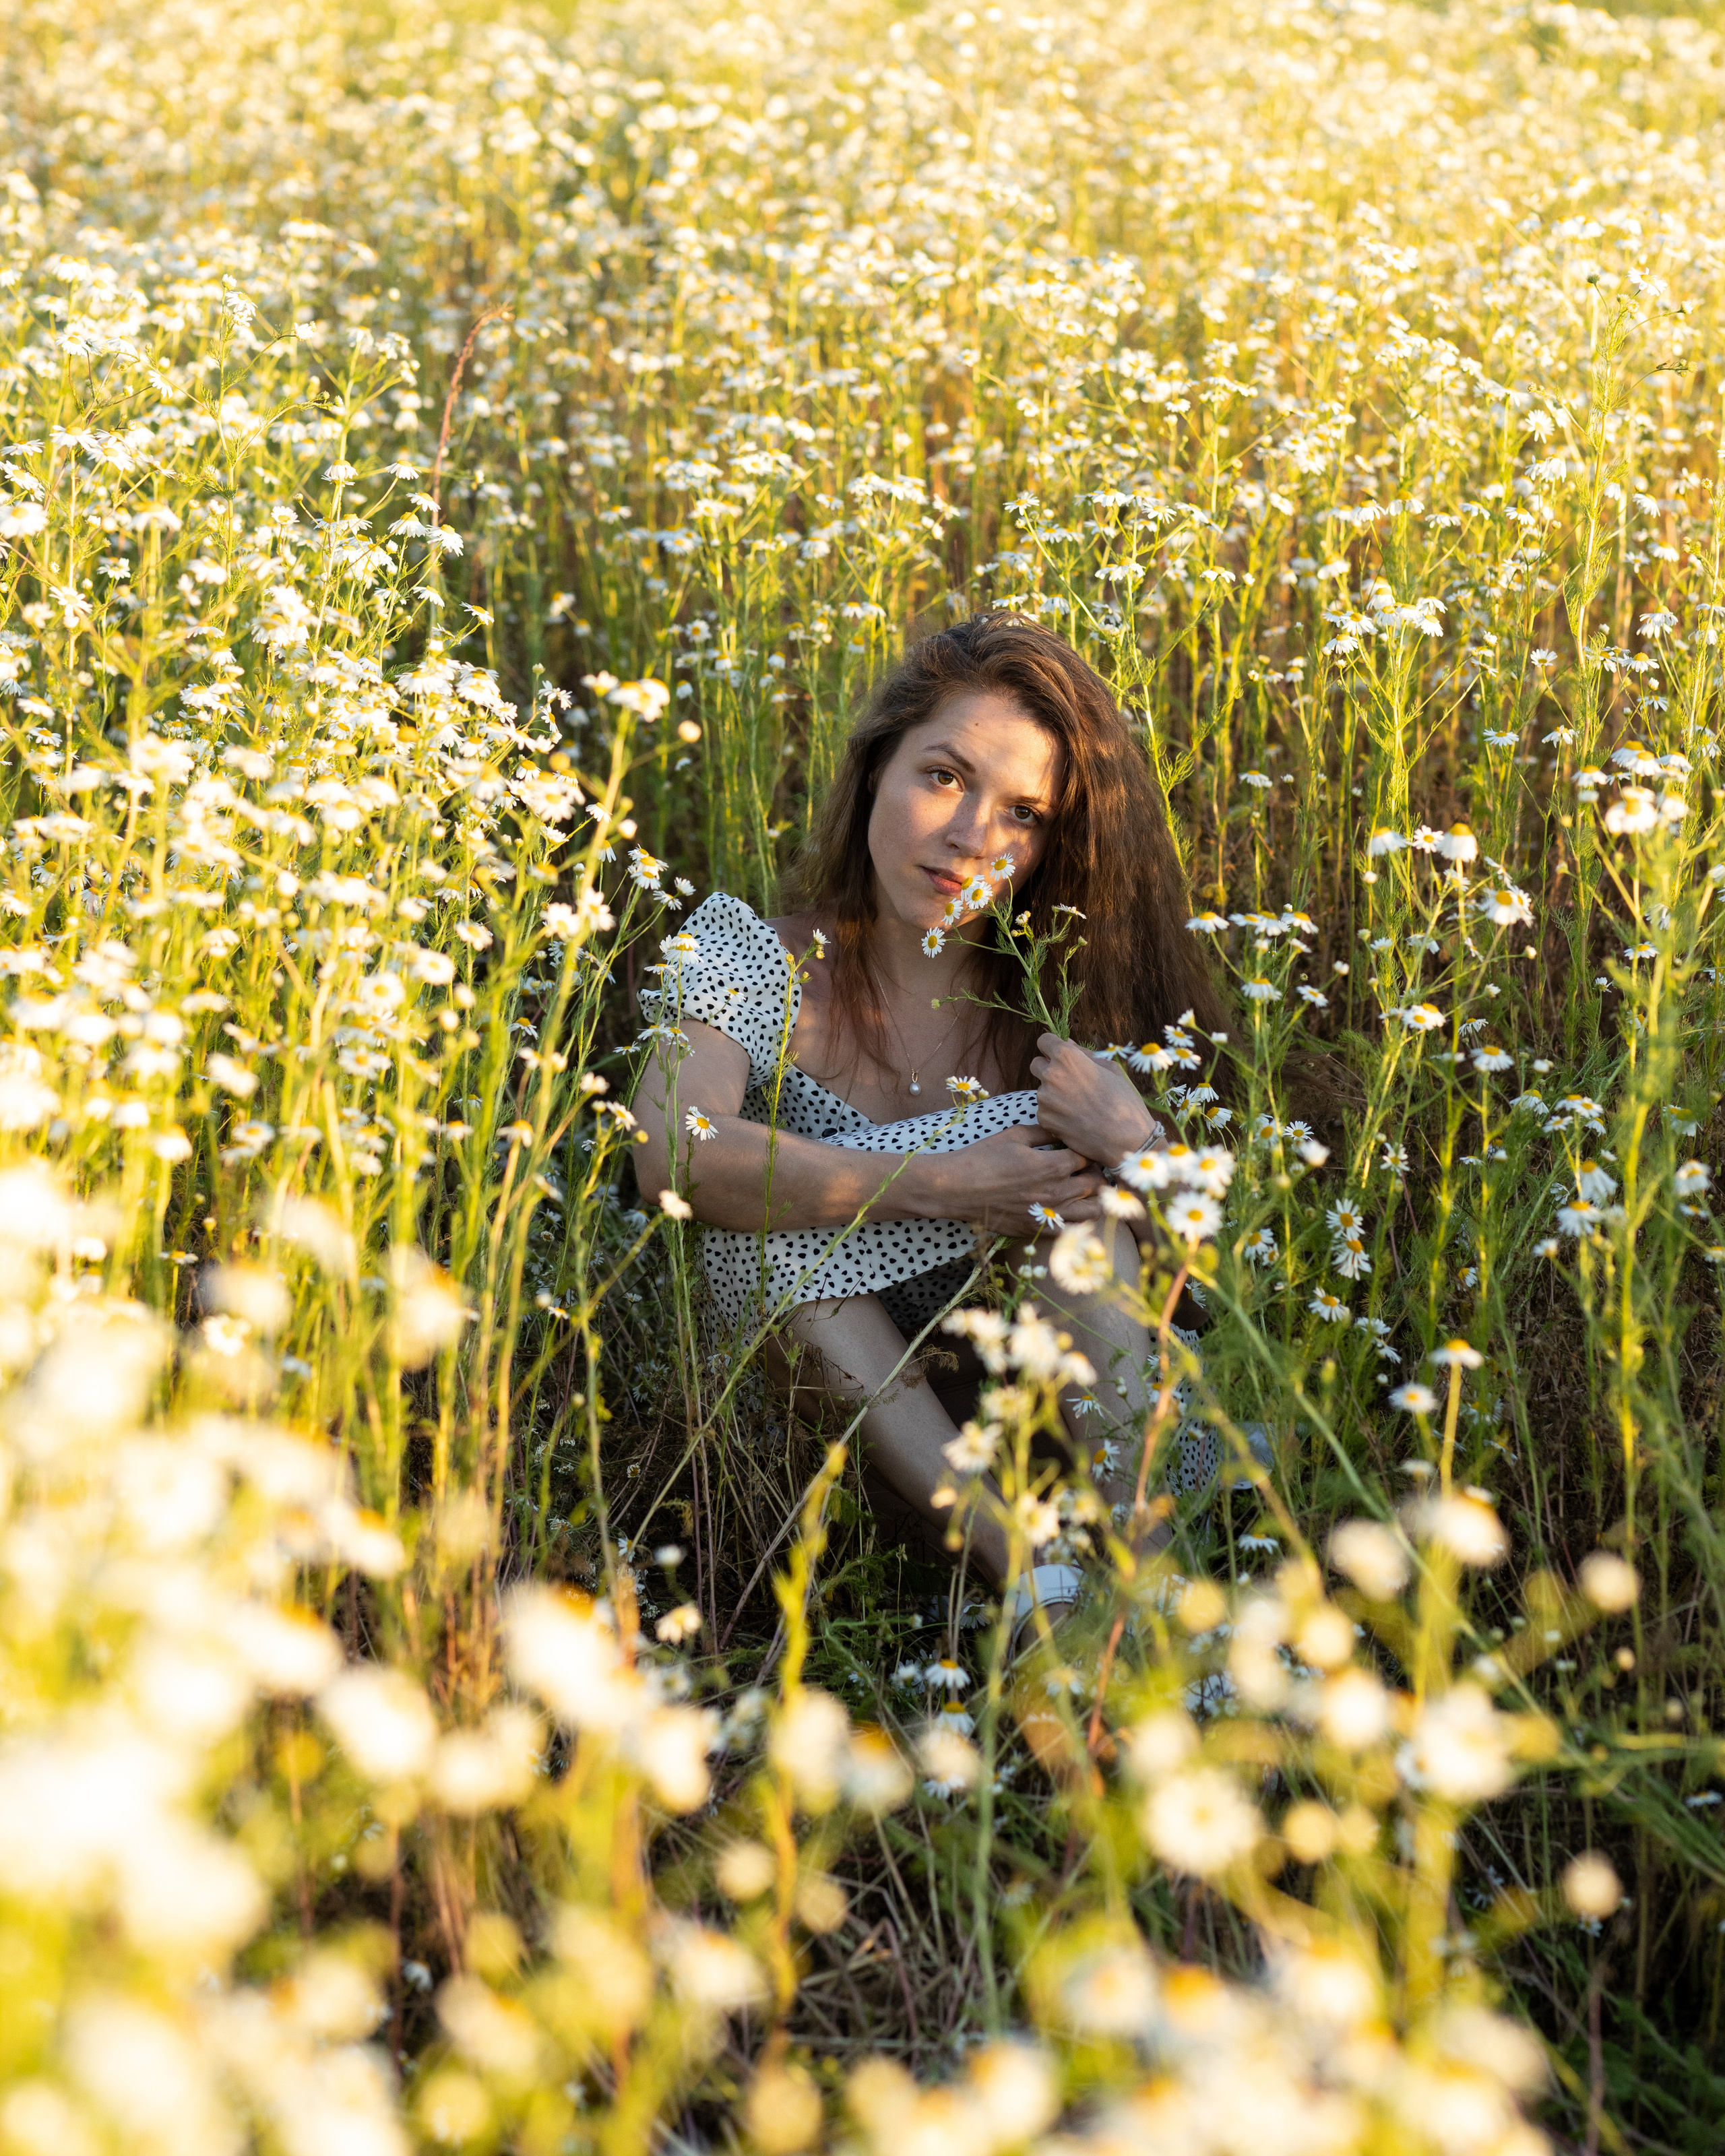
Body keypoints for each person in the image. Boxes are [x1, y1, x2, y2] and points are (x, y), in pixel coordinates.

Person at [634, 612, 1237, 1632]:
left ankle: (1149, 1590)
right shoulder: (746, 956)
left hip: (1067, 1420)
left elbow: (1232, 1286)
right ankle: (1035, 1578)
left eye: (1026, 815)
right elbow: (672, 1155)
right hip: (844, 1438)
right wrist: (946, 1185)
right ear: (877, 767)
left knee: (1082, 1227)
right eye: (945, 778)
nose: (973, 839)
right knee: (761, 1250)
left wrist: (1140, 1148)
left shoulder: (1067, 1006)